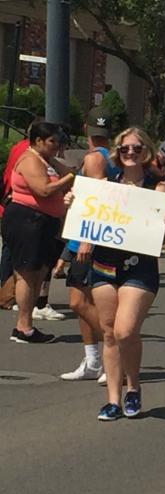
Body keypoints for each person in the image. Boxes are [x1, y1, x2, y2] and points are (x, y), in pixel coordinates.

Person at [86, 128, 165, 421]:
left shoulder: (158, 189)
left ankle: (133, 387)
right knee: (109, 332)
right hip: (104, 265)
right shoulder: (105, 186)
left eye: (136, 148)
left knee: (126, 330)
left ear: (145, 151)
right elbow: (88, 220)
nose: (131, 153)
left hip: (139, 266)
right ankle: (113, 399)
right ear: (117, 152)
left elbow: (161, 241)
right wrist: (74, 208)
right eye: (125, 149)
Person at [60, 108, 121, 381]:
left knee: (80, 302)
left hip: (89, 237)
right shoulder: (108, 157)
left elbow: (98, 198)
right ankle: (93, 360)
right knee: (81, 299)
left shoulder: (96, 158)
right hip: (80, 235)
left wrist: (87, 238)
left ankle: (114, 349)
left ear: (86, 128)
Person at [2, 121, 75, 343]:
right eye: (52, 140)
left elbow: (71, 172)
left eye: (58, 140)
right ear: (38, 141)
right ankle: (24, 327)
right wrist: (68, 179)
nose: (57, 144)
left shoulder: (46, 159)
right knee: (27, 272)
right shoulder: (30, 159)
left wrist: (67, 174)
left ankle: (27, 324)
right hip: (26, 221)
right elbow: (43, 189)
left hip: (44, 222)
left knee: (39, 272)